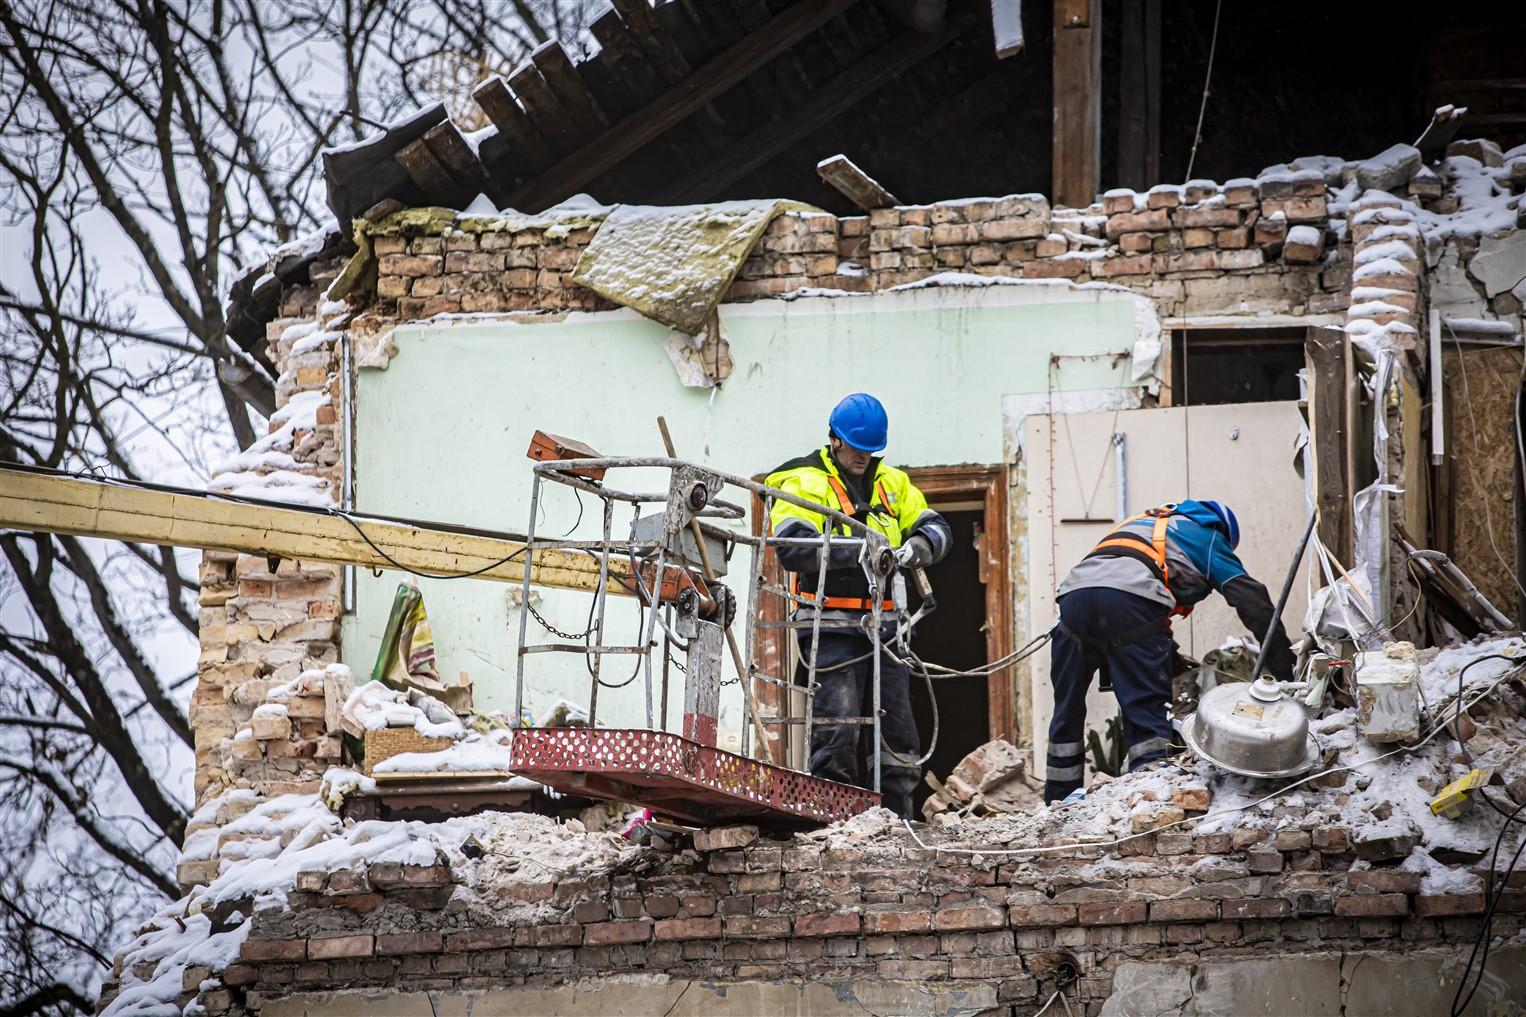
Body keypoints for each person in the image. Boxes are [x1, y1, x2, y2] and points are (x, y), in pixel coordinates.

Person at [765, 393, 952, 819]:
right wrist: (861, 551)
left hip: (887, 630)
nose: (865, 458)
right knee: (839, 729)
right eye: (857, 449)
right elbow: (794, 548)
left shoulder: (893, 483)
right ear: (835, 440)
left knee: (898, 733)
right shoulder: (802, 480)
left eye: (872, 451)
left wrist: (919, 546)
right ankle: (837, 825)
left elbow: (936, 526)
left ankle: (898, 823)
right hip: (830, 628)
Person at [1043, 500, 1293, 804]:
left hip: (1072, 601)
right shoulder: (1207, 534)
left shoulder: (1139, 525)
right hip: (1127, 602)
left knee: (1066, 709)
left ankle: (1059, 801)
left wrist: (1170, 658)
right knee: (1145, 709)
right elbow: (1250, 599)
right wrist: (1283, 667)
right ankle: (1148, 795)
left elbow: (1114, 600)